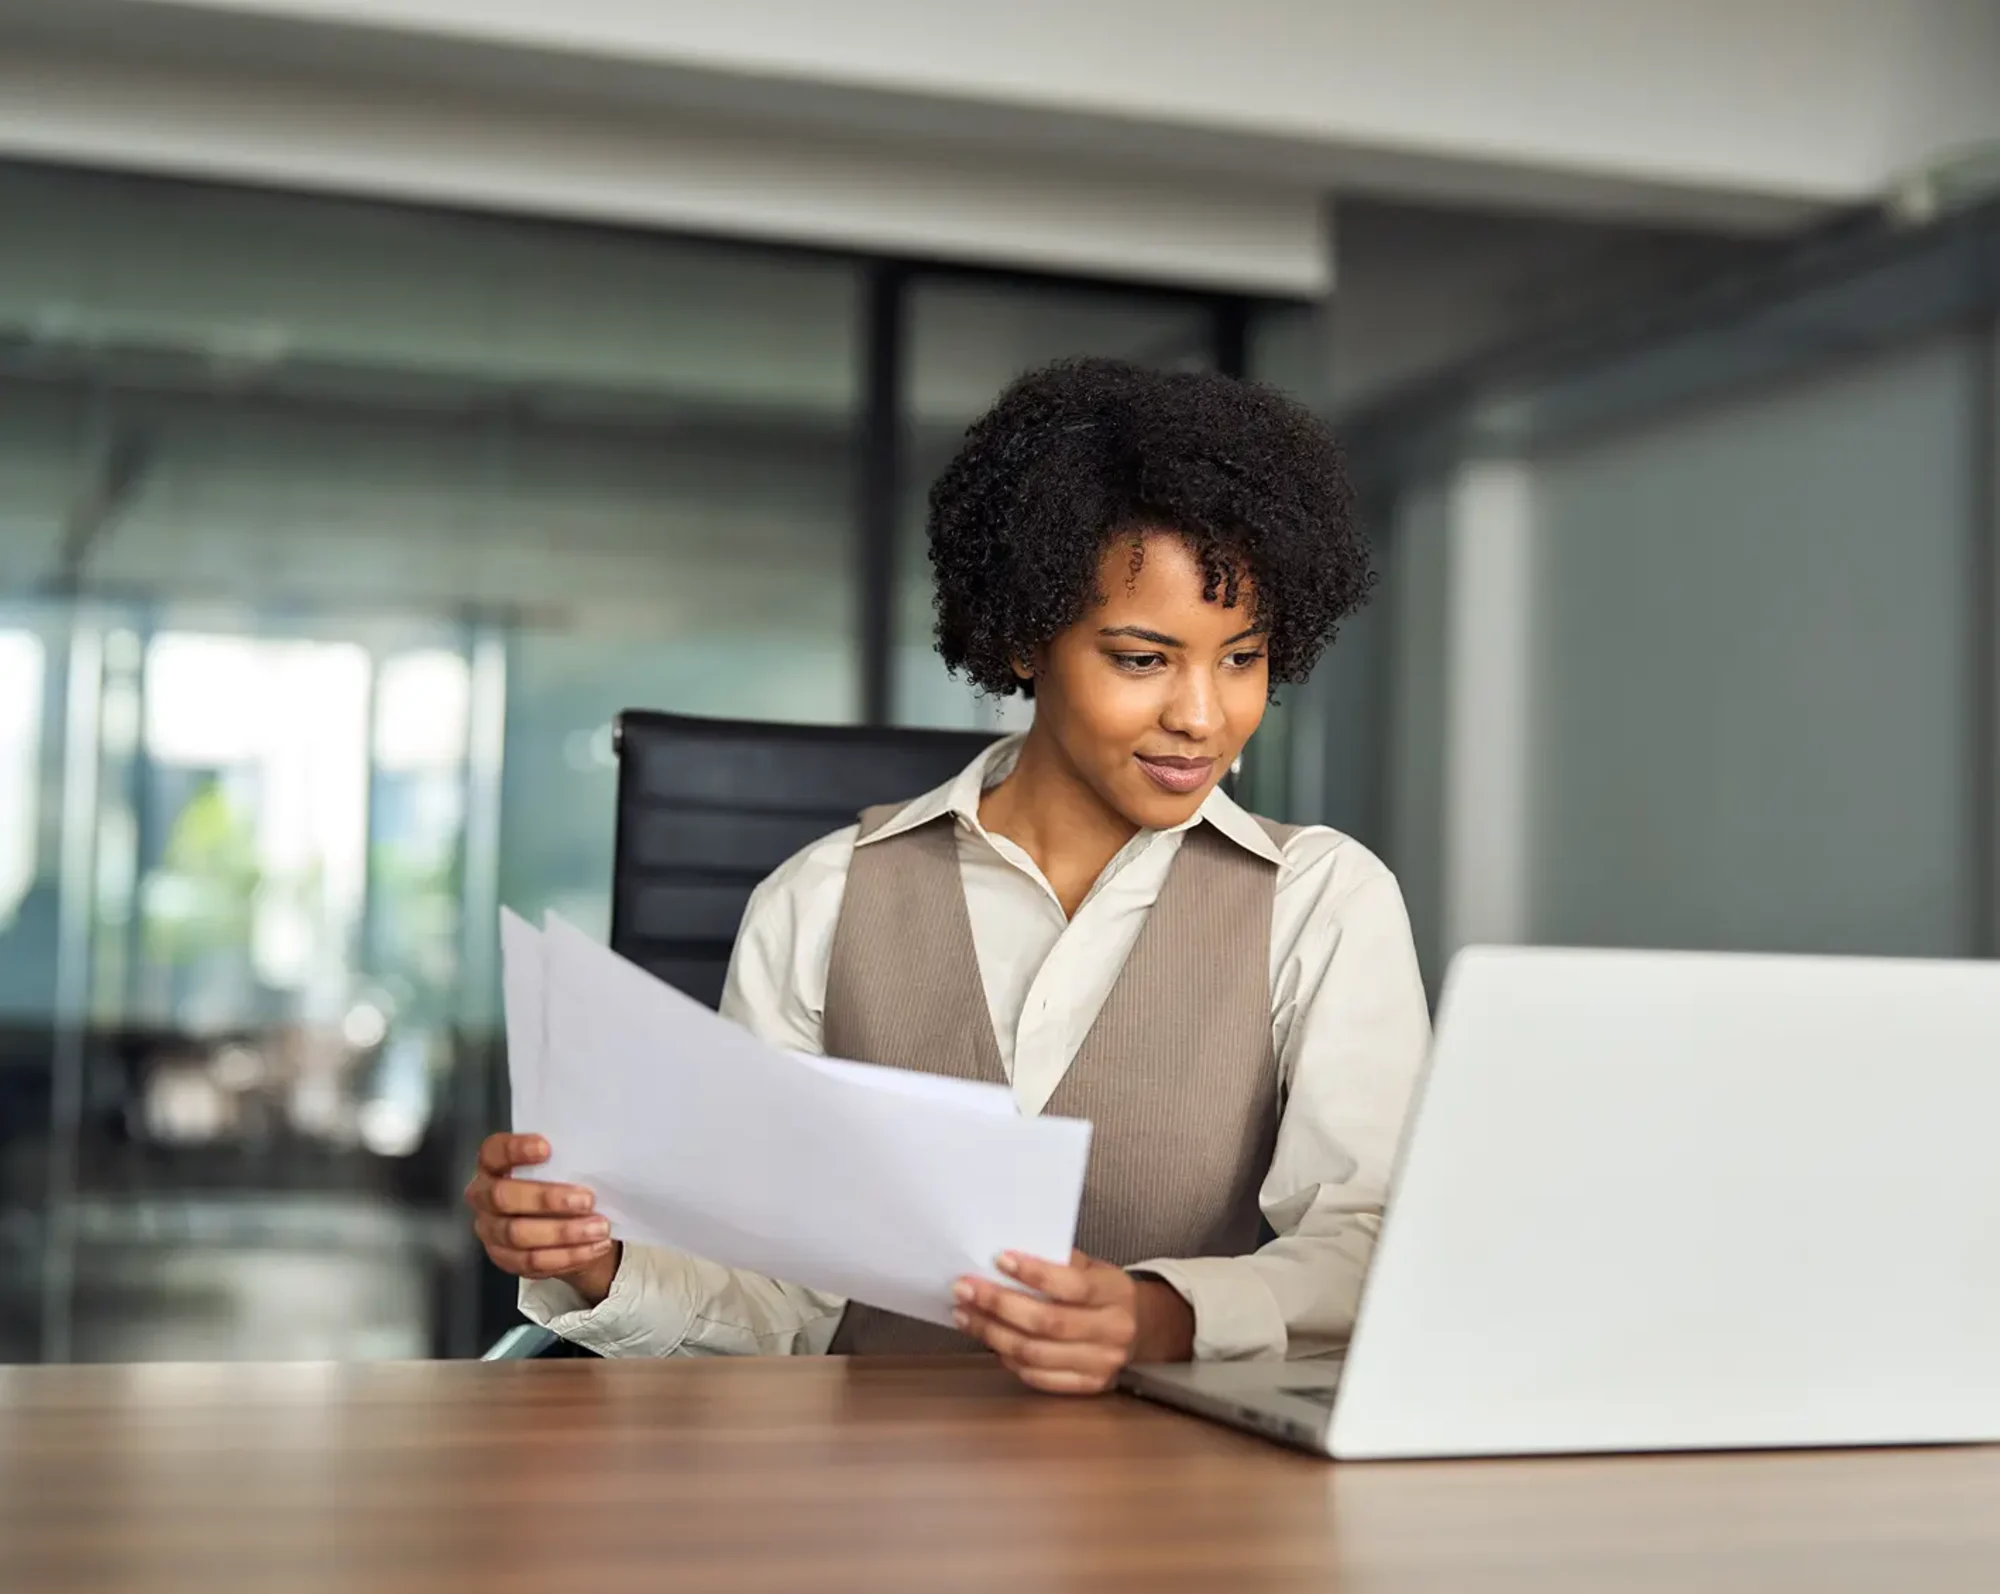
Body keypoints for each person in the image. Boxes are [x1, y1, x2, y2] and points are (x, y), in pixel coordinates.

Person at [467, 357, 1430, 1395]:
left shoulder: (1320, 901)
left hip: (1182, 1507)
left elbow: (1371, 1242)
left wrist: (1161, 1314)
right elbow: (779, 1303)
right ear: (1026, 637)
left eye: (1240, 659)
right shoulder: (818, 902)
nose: (1202, 715)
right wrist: (598, 1263)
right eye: (1142, 658)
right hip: (867, 1504)